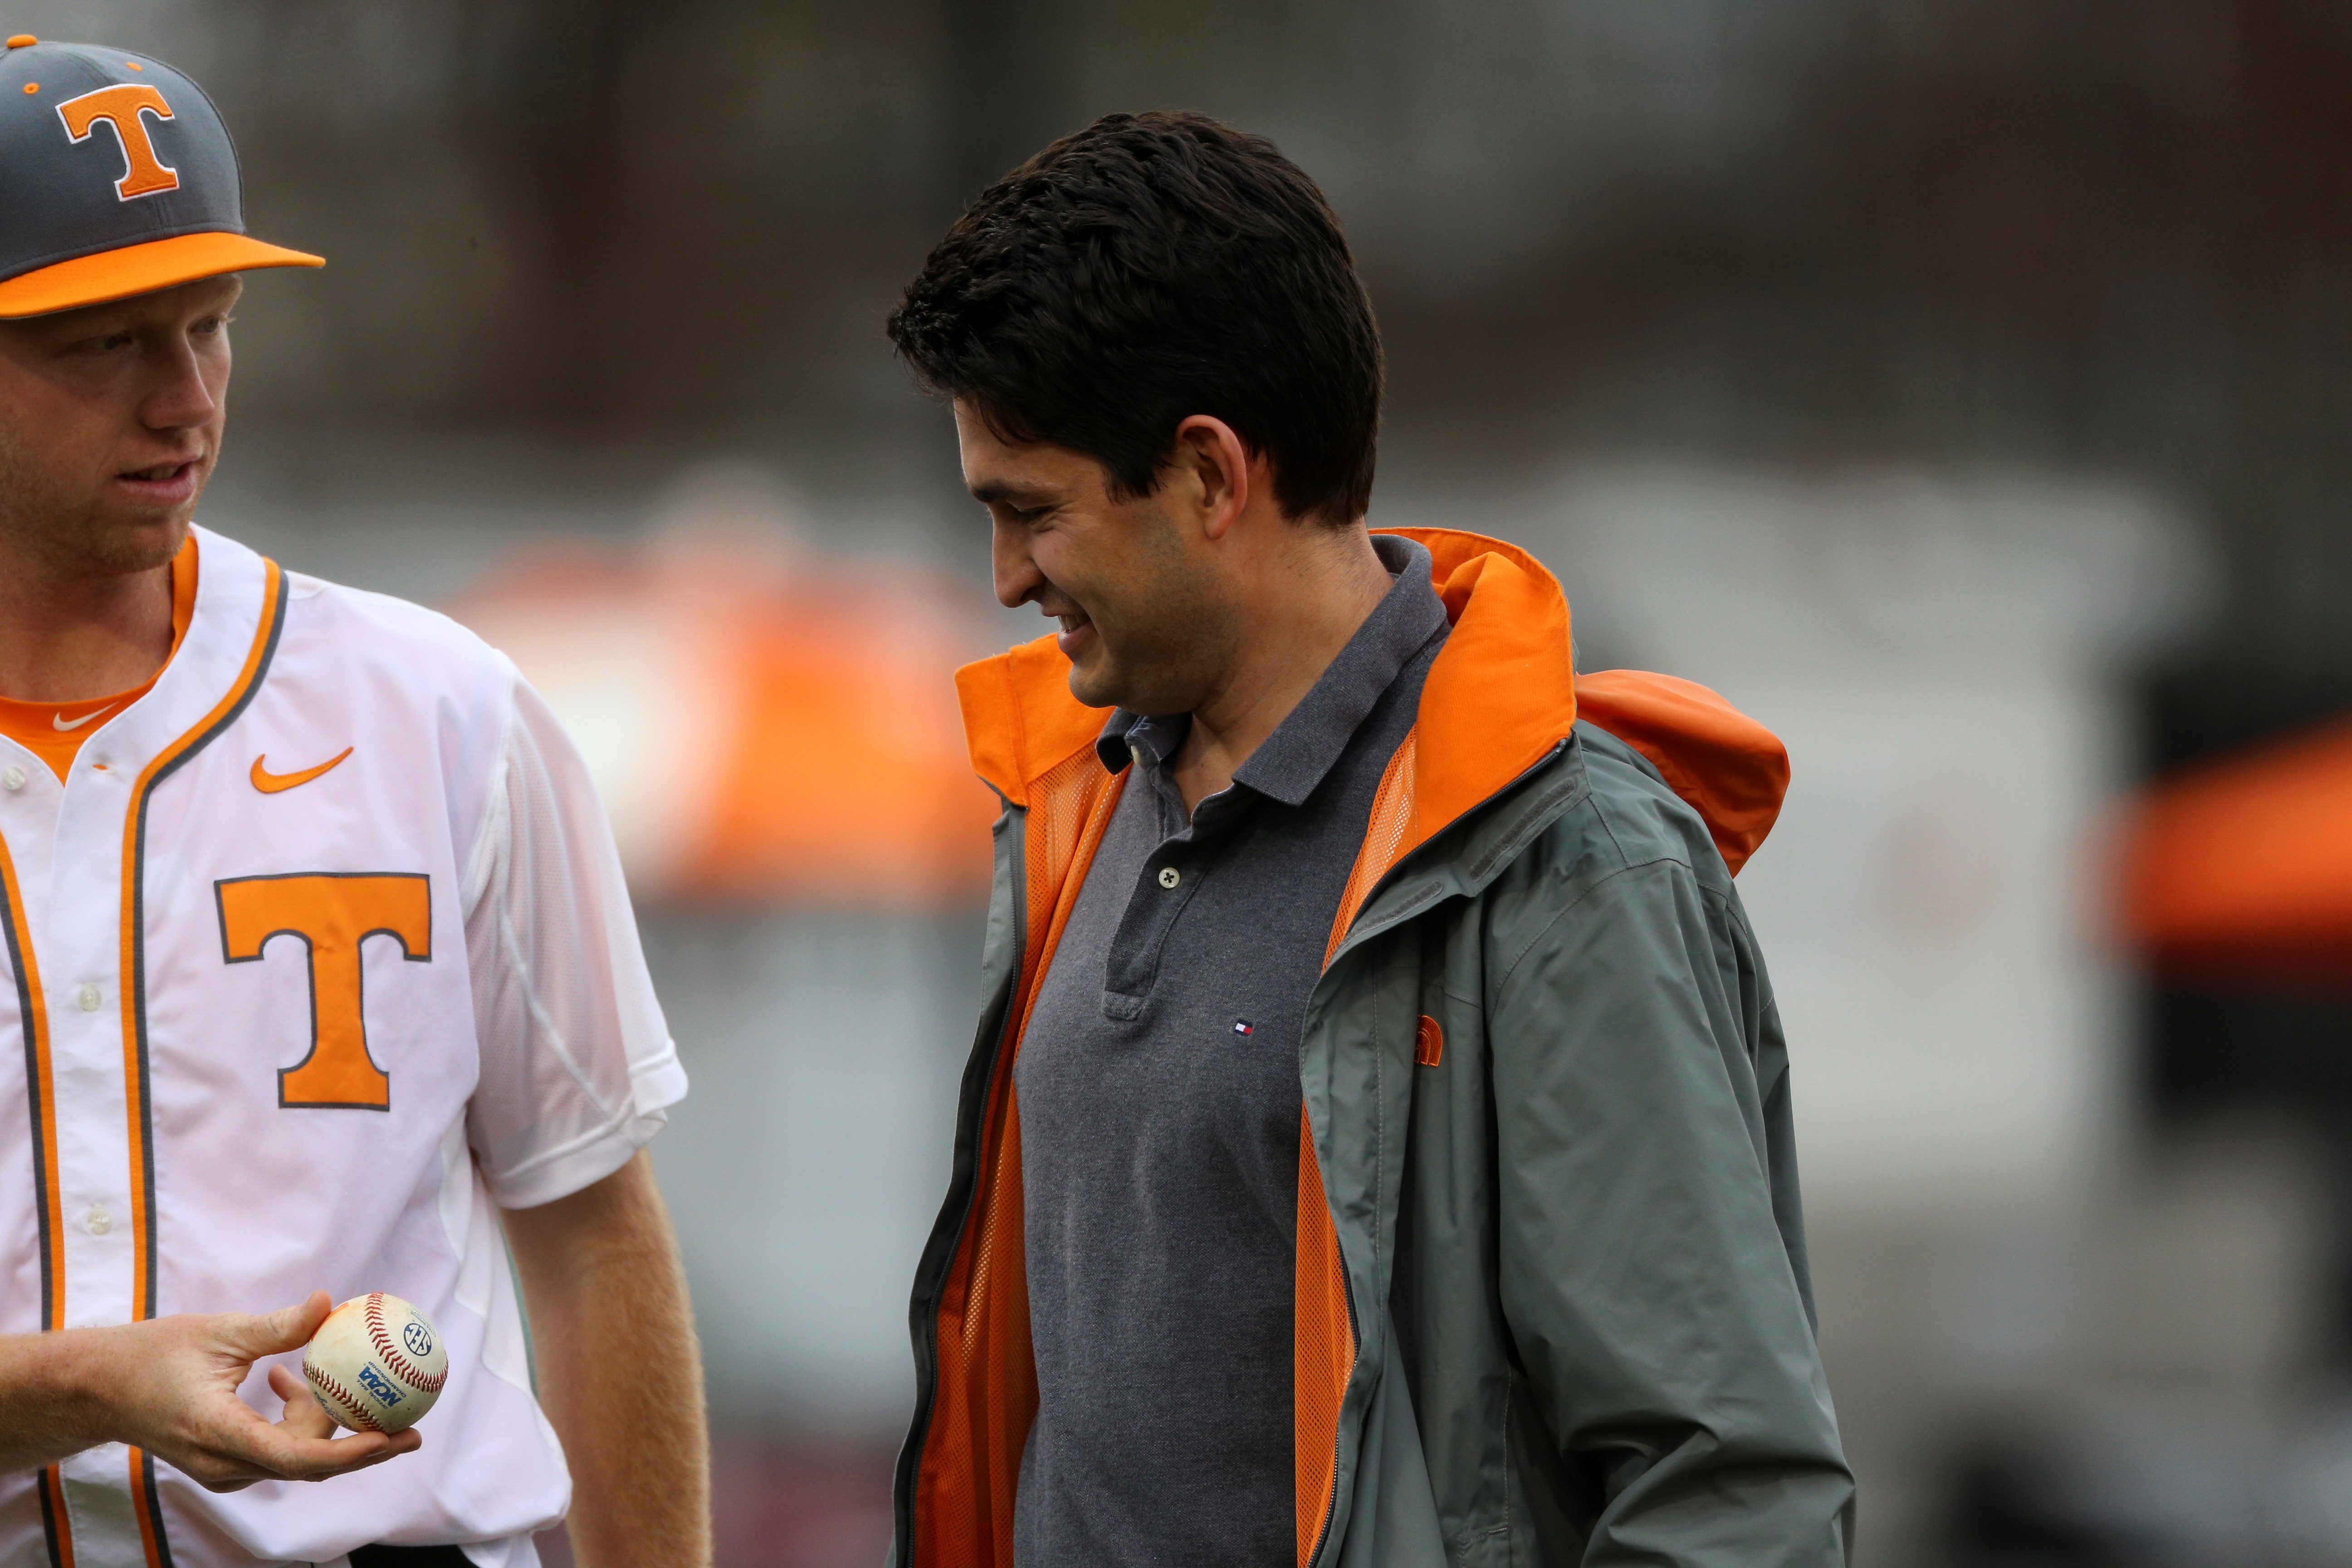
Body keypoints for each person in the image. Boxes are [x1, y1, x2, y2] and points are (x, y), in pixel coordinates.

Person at [883, 111, 1854, 1566]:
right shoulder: (1073, 803)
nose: (1008, 574)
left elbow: (1730, 1493)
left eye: (1033, 513)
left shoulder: (1565, 870)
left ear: (1211, 476)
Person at [0, 37, 708, 1568]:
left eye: (208, 326)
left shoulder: (439, 708)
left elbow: (591, 1234)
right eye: (106, 339)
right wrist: (64, 1391)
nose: (183, 398)